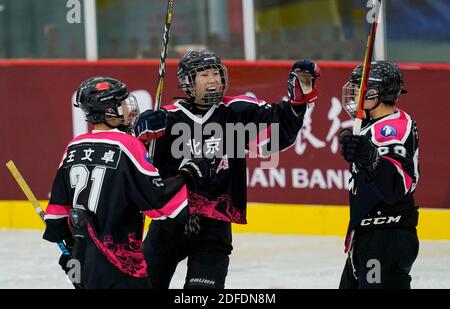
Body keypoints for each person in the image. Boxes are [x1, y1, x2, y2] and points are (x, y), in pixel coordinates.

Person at [133, 49, 320, 288]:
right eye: (204, 75)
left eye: (216, 74)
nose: (213, 80)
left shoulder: (237, 112)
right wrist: (140, 134)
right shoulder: (166, 118)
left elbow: (279, 133)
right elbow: (136, 165)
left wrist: (297, 100)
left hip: (214, 228)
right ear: (186, 82)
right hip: (168, 225)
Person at [42, 76, 214, 289]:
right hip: (121, 265)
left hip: (83, 262)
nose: (128, 108)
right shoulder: (127, 145)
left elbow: (57, 214)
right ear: (108, 111)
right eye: (121, 103)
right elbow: (157, 200)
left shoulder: (74, 146)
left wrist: (73, 254)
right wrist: (188, 174)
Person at [338, 61, 420, 289]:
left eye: (358, 87)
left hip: (386, 238)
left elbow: (396, 186)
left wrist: (369, 157)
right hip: (369, 235)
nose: (353, 93)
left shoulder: (392, 130)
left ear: (375, 93)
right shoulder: (372, 125)